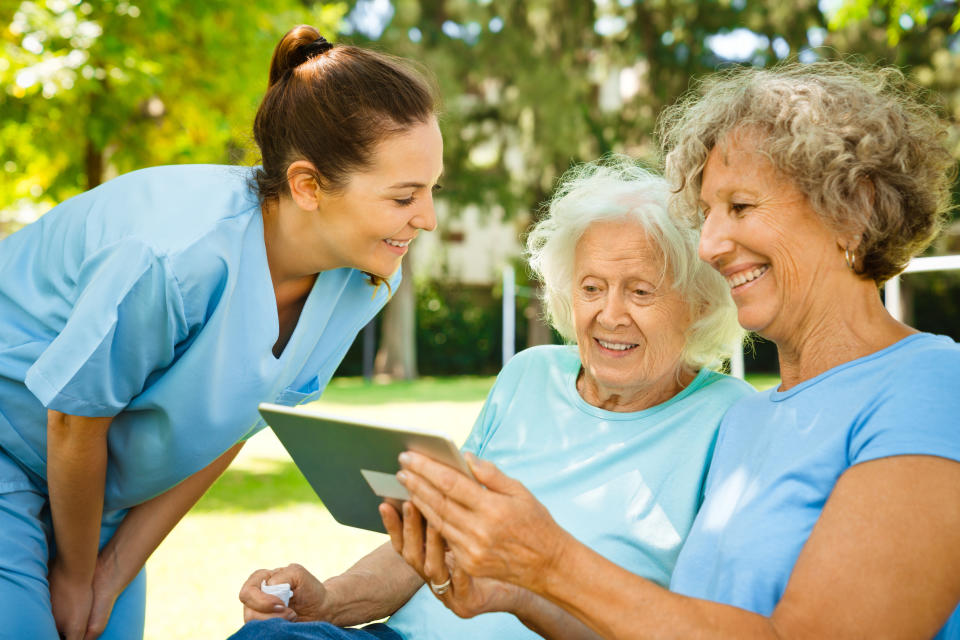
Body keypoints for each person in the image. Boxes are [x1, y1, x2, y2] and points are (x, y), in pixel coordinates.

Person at [392, 61, 960, 639]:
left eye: (740, 207)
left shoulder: (932, 386)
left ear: (854, 210)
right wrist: (521, 594)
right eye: (708, 213)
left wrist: (551, 560)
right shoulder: (753, 419)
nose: (709, 244)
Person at [0, 25, 442, 640]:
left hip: (94, 486)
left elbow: (234, 421)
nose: (428, 219)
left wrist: (112, 569)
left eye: (432, 190)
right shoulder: (174, 255)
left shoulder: (365, 279)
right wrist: (76, 578)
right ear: (308, 185)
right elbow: (74, 419)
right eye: (404, 197)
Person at [230, 158, 753, 639]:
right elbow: (429, 541)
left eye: (641, 291)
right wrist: (330, 601)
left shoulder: (729, 418)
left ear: (701, 302)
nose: (609, 315)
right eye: (592, 288)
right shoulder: (530, 374)